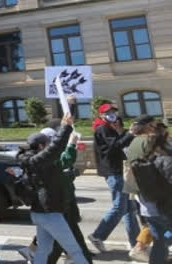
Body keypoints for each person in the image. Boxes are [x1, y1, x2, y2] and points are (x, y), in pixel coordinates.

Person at [17, 114, 89, 264]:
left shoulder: (36, 161)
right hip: (50, 214)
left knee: (44, 249)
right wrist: (65, 127)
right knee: (74, 250)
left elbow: (58, 160)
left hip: (41, 213)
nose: (50, 144)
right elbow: (55, 149)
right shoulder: (38, 161)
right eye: (47, 142)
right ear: (41, 146)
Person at [88, 103, 139, 253]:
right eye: (108, 112)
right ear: (101, 115)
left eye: (113, 111)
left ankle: (135, 243)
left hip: (119, 170)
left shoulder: (110, 127)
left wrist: (124, 132)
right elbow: (114, 147)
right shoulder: (102, 128)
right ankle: (98, 235)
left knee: (130, 208)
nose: (112, 114)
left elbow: (119, 144)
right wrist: (128, 134)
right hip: (114, 171)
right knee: (120, 207)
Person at [125, 116, 172, 263]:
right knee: (162, 236)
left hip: (144, 197)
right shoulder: (155, 148)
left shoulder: (134, 143)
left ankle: (142, 248)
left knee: (159, 240)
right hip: (162, 201)